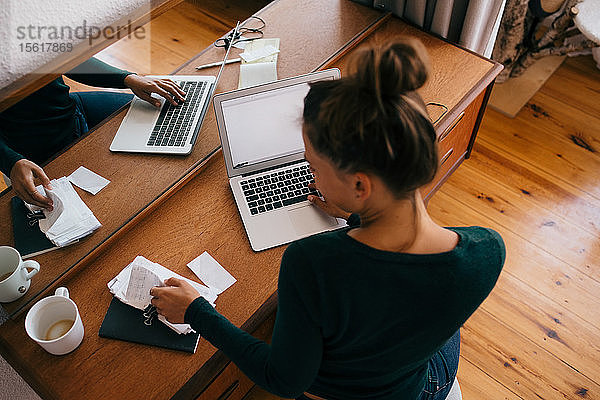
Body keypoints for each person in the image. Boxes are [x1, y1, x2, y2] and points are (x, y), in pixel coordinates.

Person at [151, 38, 505, 400]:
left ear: (360, 184)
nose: (309, 174)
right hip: (419, 386)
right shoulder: (488, 250)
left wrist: (196, 311)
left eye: (314, 166)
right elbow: (402, 285)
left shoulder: (312, 263)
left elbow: (285, 381)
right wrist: (356, 216)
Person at [0, 57, 185, 210]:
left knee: (166, 111)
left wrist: (128, 78)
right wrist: (10, 161)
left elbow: (67, 57)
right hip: (27, 153)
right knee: (104, 206)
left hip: (71, 110)